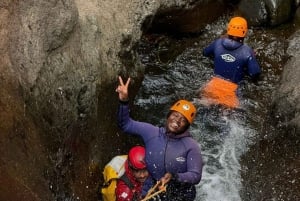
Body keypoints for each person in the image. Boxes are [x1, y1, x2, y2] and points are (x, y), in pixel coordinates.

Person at [116, 76, 203, 201]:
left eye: (183, 120)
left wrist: (174, 176)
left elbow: (196, 175)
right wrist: (123, 101)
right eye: (175, 115)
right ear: (168, 116)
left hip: (180, 195)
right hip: (153, 190)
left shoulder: (191, 146)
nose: (177, 121)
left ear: (187, 126)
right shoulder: (151, 132)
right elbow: (125, 125)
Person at [200, 16, 261, 108]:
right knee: (226, 117)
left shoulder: (218, 43)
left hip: (213, 86)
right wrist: (253, 58)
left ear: (228, 29)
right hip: (232, 92)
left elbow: (205, 53)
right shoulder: (247, 52)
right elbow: (255, 73)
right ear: (245, 32)